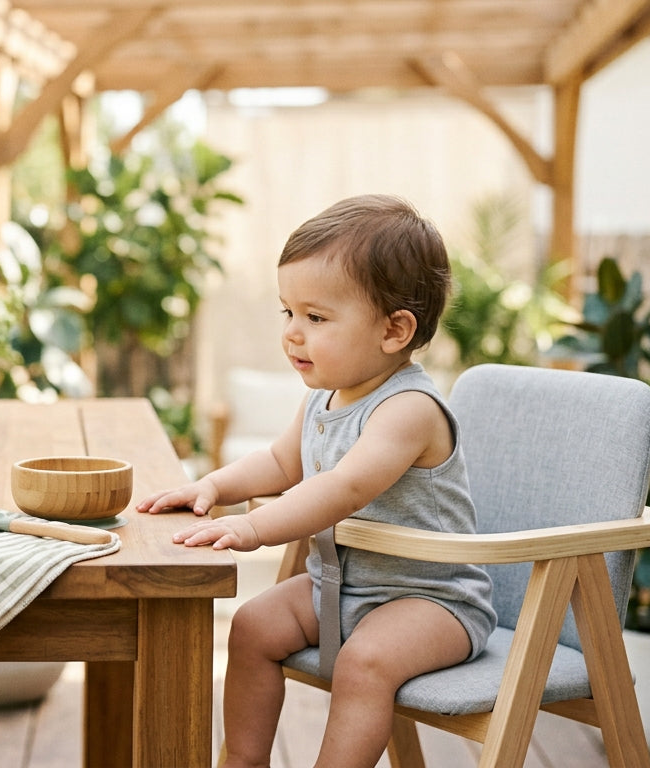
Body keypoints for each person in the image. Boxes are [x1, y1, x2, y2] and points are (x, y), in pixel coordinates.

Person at [136, 194, 495, 768]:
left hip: (432, 603)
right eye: (288, 313)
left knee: (365, 663)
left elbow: (342, 489)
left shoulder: (408, 409)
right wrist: (213, 487)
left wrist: (253, 527)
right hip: (341, 591)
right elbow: (281, 464)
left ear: (394, 330)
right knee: (252, 626)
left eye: (317, 317)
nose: (293, 334)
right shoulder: (325, 400)